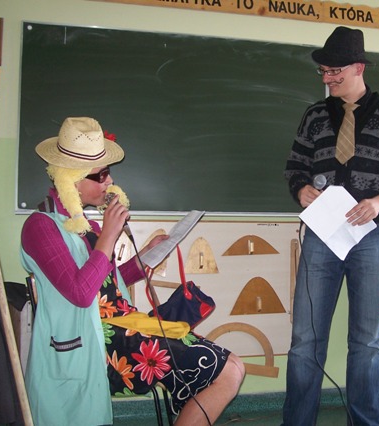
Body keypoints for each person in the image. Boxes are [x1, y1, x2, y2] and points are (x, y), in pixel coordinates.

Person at [20, 117, 245, 425]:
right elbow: (81, 294)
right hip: (96, 343)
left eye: (108, 173)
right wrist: (108, 236)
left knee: (230, 367)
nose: (109, 182)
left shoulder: (86, 227)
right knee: (228, 370)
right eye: (101, 175)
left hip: (121, 328)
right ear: (73, 179)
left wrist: (146, 256)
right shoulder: (40, 227)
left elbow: (106, 284)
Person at [282, 27, 379, 425]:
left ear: (359, 68)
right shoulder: (314, 116)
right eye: (324, 71)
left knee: (366, 341)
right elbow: (294, 167)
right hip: (321, 237)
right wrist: (301, 189)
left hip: (373, 237)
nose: (327, 79)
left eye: (335, 72)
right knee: (305, 339)